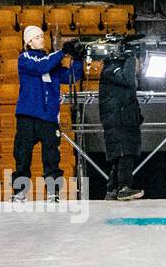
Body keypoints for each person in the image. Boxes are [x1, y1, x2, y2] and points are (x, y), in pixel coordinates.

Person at [14, 26, 83, 202]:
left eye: (41, 36)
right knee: (23, 155)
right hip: (28, 115)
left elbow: (71, 76)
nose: (41, 39)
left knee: (52, 157)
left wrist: (77, 58)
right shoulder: (25, 58)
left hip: (49, 117)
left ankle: (53, 192)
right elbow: (40, 67)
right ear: (28, 42)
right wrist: (61, 52)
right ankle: (20, 192)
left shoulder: (52, 62)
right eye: (36, 37)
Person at [99, 51, 145, 201]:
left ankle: (113, 188)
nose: (138, 66)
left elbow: (129, 93)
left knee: (123, 154)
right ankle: (124, 187)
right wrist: (131, 58)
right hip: (118, 120)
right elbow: (128, 79)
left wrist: (137, 116)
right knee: (124, 152)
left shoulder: (116, 74)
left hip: (124, 119)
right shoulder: (111, 69)